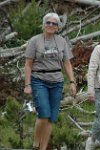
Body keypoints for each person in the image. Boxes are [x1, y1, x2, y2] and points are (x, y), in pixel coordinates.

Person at [24, 12, 76, 150]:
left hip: (57, 81)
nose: (51, 25)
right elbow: (28, 64)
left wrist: (72, 82)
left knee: (51, 118)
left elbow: (67, 63)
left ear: (58, 27)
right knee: (44, 114)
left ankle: (43, 147)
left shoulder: (62, 41)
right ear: (43, 25)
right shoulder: (35, 41)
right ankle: (36, 144)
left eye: (54, 23)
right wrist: (27, 84)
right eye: (48, 22)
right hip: (39, 80)